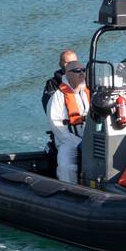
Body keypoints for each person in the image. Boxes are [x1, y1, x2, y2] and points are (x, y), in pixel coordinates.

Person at [47, 53, 88, 184]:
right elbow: (57, 126)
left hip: (90, 138)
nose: (81, 73)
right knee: (66, 166)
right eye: (77, 71)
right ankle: (69, 190)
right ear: (68, 74)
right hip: (68, 141)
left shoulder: (89, 92)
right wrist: (77, 142)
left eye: (83, 70)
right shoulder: (57, 97)